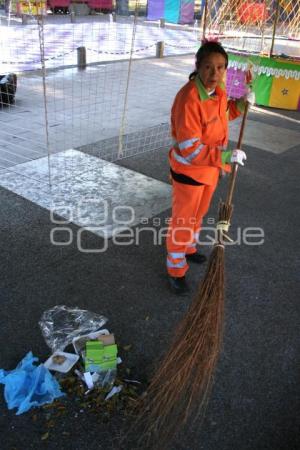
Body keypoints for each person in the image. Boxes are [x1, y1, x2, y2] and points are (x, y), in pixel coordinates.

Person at [166, 40, 254, 295]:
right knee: (182, 221)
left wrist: (241, 104)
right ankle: (175, 268)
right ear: (198, 67)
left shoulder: (219, 91)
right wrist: (226, 157)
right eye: (208, 67)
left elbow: (223, 116)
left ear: (226, 69)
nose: (214, 74)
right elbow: (191, 149)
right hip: (189, 173)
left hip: (210, 171)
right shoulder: (188, 99)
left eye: (220, 67)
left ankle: (188, 249)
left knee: (198, 214)